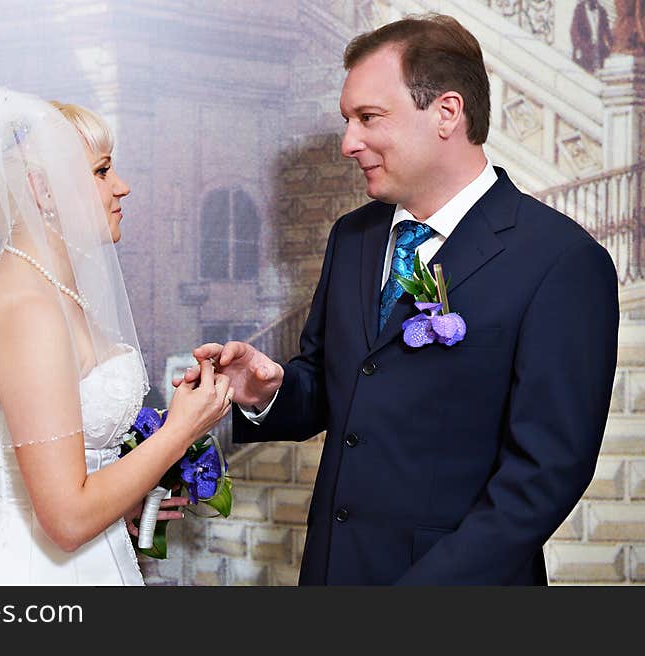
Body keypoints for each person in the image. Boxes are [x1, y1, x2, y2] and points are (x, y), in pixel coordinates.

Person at [180, 14, 619, 584]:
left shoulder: (561, 261)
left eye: (368, 118)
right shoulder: (353, 237)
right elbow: (333, 384)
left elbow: (544, 477)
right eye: (346, 120)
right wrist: (268, 391)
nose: (347, 143)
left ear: (447, 112)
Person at [0, 85, 232, 585]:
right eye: (102, 171)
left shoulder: (48, 293)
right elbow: (65, 520)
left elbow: (68, 485)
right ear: (43, 191)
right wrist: (178, 433)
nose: (122, 186)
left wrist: (129, 487)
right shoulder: (28, 313)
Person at [571, 0, 612, 73]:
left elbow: (607, 31)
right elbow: (574, 31)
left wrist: (611, 46)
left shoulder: (602, 11)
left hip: (599, 50)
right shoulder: (580, 10)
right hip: (585, 51)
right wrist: (579, 46)